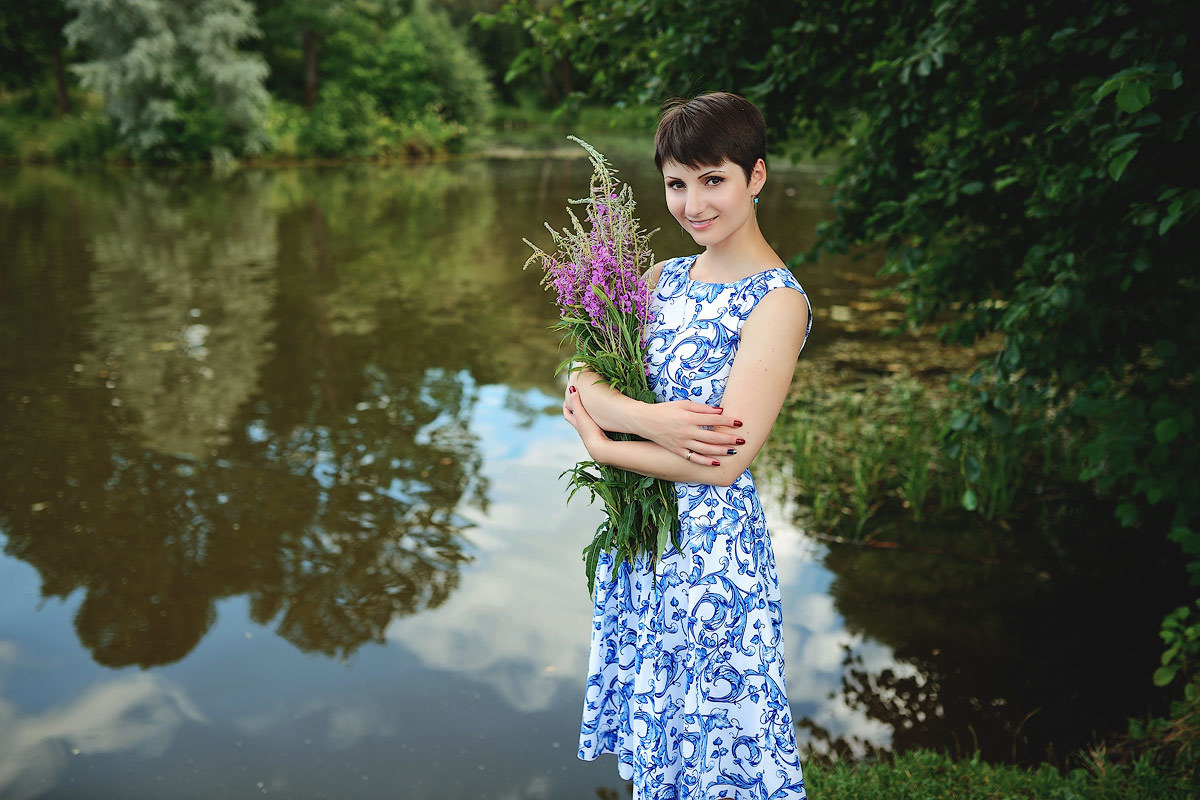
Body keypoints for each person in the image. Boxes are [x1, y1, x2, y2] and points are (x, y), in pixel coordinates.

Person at [561, 92, 812, 800]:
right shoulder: (660, 279)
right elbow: (583, 378)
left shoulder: (776, 301)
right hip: (642, 541)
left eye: (713, 180)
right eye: (677, 183)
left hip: (713, 560)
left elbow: (724, 460)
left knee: (722, 739)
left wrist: (609, 445)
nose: (694, 203)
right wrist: (656, 419)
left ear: (755, 177)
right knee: (665, 734)